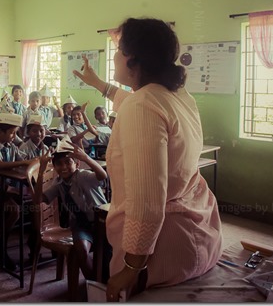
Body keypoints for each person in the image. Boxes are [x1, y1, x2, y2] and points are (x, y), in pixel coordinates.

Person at [73, 17, 222, 300]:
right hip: (197, 232)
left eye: (118, 50)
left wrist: (132, 266)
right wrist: (98, 84)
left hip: (160, 253)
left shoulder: (142, 105)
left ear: (132, 60)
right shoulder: (176, 94)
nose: (114, 55)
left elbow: (147, 198)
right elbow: (135, 102)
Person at [34, 137, 108, 280]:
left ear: (77, 163)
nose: (64, 167)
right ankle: (92, 283)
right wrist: (41, 171)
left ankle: (101, 280)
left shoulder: (83, 176)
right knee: (81, 249)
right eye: (59, 164)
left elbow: (102, 175)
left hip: (101, 223)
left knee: (107, 259)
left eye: (68, 162)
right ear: (54, 167)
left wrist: (87, 158)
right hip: (81, 225)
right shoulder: (59, 183)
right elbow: (38, 200)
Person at [0, 113, 41, 270]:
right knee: (14, 211)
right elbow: (0, 165)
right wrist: (25, 161)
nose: (14, 136)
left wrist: (37, 160)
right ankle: (1, 244)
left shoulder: (12, 147)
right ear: (0, 132)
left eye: (15, 133)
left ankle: (33, 244)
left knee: (37, 205)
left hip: (11, 187)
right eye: (11, 133)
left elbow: (23, 160)